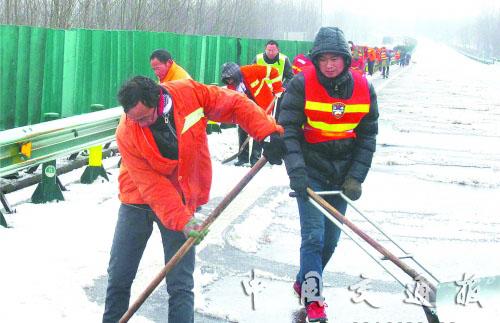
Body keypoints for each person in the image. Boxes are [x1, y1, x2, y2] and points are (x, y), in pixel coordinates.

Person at [102, 76, 284, 323]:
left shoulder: (188, 94)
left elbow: (234, 104)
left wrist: (266, 132)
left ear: (157, 101)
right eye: (134, 119)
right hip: (137, 199)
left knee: (180, 282)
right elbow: (152, 186)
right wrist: (183, 220)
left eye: (144, 117)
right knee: (119, 275)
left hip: (181, 196)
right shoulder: (127, 130)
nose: (140, 124)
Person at [278, 26, 379, 322]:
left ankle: (304, 280)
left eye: (337, 58)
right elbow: (288, 130)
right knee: (313, 237)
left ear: (346, 60)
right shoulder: (301, 84)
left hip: (342, 175)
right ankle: (314, 300)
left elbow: (367, 137)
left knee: (331, 241)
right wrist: (296, 171)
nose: (331, 64)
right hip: (310, 170)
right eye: (325, 59)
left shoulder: (363, 87)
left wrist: (356, 177)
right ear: (317, 60)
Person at [220, 62, 284, 167]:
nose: (229, 81)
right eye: (227, 80)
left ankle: (255, 158)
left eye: (230, 78)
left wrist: (277, 89)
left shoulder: (251, 70)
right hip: (245, 109)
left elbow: (273, 71)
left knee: (259, 130)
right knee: (242, 130)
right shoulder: (231, 87)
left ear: (235, 74)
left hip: (263, 105)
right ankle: (242, 158)